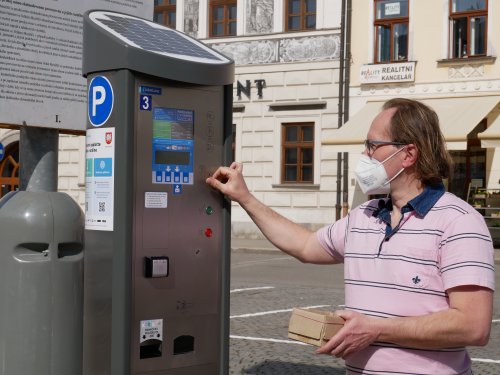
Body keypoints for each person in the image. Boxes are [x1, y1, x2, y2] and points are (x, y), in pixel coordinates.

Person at [206, 98, 495, 375]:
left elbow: (473, 325)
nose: (365, 155)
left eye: (372, 146)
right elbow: (305, 245)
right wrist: (245, 198)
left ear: (408, 154)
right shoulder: (364, 215)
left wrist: (377, 329)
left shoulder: (459, 222)